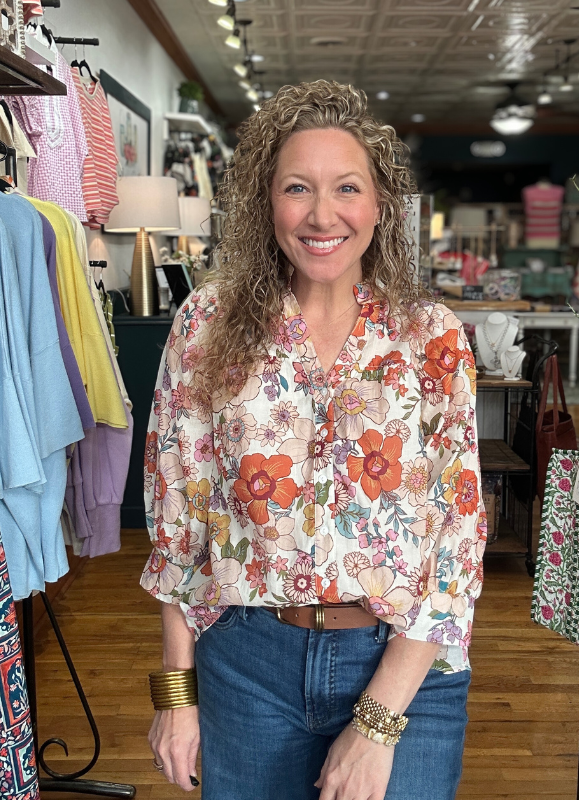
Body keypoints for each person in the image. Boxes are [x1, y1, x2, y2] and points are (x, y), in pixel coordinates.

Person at [142, 80, 486, 800]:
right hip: (247, 662)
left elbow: (457, 540)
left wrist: (378, 722)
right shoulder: (206, 327)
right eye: (297, 188)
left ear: (381, 206)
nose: (322, 214)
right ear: (267, 203)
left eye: (347, 188)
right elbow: (178, 522)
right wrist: (176, 695)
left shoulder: (432, 338)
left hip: (406, 667)